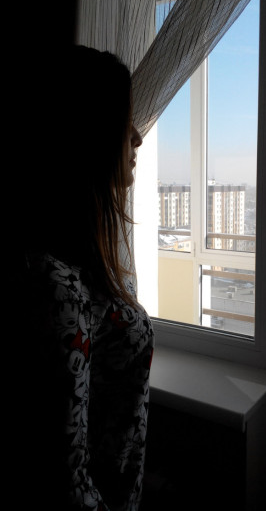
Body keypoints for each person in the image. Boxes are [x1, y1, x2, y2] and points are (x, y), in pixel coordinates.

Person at [19, 45, 155, 510]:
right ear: (86, 135)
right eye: (124, 122)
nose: (137, 137)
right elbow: (65, 478)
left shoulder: (81, 262)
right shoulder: (56, 288)